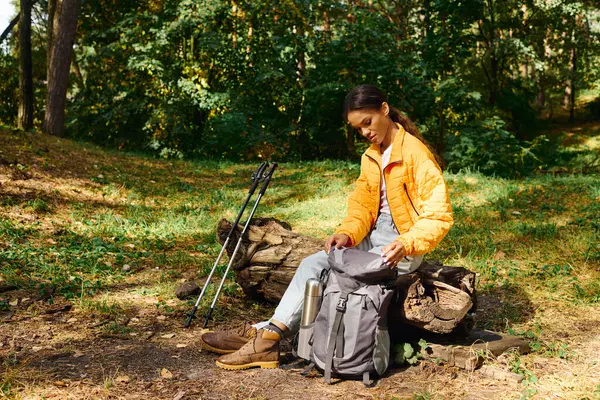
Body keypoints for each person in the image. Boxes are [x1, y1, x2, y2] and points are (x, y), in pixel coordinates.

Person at [200, 84, 454, 370]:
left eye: (367, 123)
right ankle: (267, 335)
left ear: (384, 109)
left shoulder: (416, 155)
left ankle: (264, 337)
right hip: (370, 240)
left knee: (333, 275)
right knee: (313, 263)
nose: (365, 133)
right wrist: (347, 233)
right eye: (358, 129)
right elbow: (362, 208)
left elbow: (438, 216)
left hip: (397, 248)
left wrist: (408, 243)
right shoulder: (371, 156)